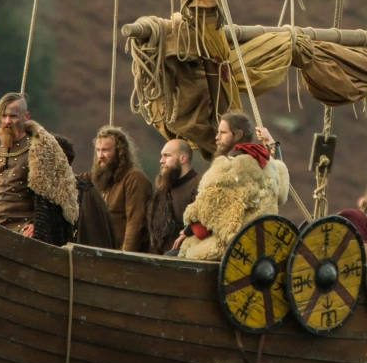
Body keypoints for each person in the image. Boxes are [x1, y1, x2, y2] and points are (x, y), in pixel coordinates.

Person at [0, 92, 79, 245]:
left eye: (13, 116)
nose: (7, 121)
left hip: (24, 231)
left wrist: (38, 225)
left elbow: (54, 197)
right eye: (4, 116)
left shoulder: (41, 149)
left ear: (25, 116)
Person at [176, 111, 289, 262]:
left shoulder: (229, 168)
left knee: (177, 253)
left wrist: (187, 231)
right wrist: (270, 142)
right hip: (258, 244)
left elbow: (208, 209)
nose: (217, 137)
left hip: (229, 247)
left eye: (223, 133)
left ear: (237, 135)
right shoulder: (266, 165)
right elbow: (280, 183)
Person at [90, 125, 153, 252]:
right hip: (103, 253)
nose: (100, 156)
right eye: (98, 150)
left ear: (119, 152)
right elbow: (73, 179)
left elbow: (136, 222)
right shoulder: (102, 179)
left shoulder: (134, 178)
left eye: (106, 150)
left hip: (122, 256)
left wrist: (125, 256)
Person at [147, 138, 202, 256]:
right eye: (161, 156)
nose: (161, 160)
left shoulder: (199, 185)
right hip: (159, 256)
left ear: (183, 159)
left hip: (187, 256)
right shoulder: (163, 188)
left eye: (167, 155)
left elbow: (205, 219)